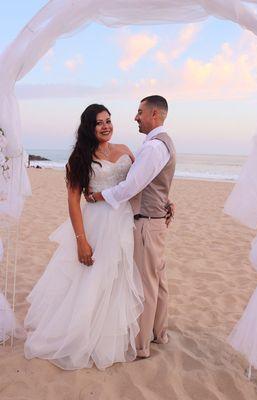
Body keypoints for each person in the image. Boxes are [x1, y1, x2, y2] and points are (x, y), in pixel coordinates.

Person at [24, 104, 144, 370]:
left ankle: (108, 336)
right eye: (99, 122)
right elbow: (73, 201)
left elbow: (140, 182)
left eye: (109, 121)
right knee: (92, 279)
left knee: (116, 277)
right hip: (96, 223)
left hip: (122, 223)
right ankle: (81, 334)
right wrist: (81, 239)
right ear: (89, 127)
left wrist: (164, 203)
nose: (106, 126)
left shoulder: (125, 150)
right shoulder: (79, 158)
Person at [86, 95, 176, 358]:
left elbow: (132, 185)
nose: (136, 117)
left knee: (146, 284)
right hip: (154, 219)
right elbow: (154, 180)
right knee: (158, 280)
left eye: (140, 112)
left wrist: (101, 196)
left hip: (147, 222)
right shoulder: (162, 143)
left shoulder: (152, 147)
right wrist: (166, 200)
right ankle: (160, 333)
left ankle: (141, 346)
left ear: (154, 115)